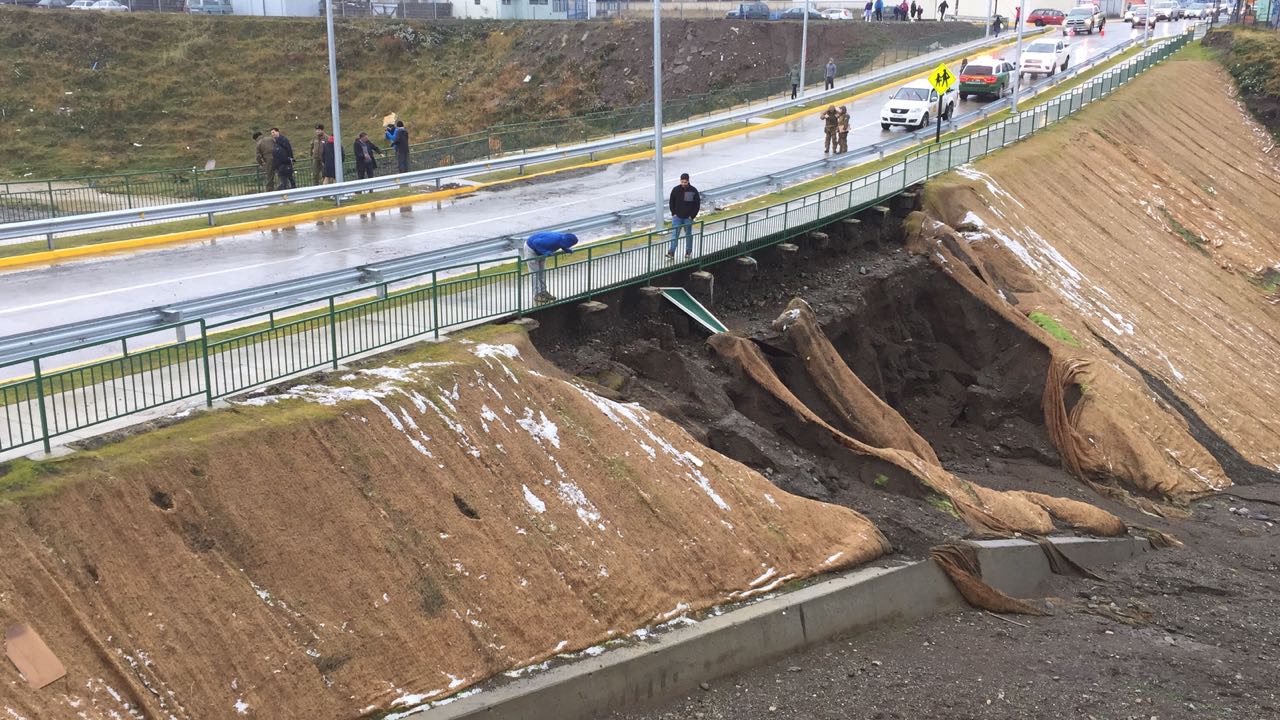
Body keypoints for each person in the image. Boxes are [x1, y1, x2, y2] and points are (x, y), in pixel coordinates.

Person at [525, 231, 578, 303]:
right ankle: (537, 294)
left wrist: (566, 249)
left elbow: (562, 244)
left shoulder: (562, 239)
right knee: (535, 273)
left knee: (542, 272)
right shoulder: (553, 240)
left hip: (540, 251)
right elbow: (536, 242)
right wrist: (545, 251)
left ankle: (543, 292)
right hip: (531, 249)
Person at [666, 173, 701, 260]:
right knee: (674, 235)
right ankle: (671, 252)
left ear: (688, 181)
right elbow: (671, 202)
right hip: (677, 217)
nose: (683, 184)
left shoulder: (693, 191)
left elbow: (697, 205)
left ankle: (688, 252)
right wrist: (673, 213)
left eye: (685, 182)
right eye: (682, 182)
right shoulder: (676, 189)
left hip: (688, 218)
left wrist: (692, 216)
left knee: (688, 235)